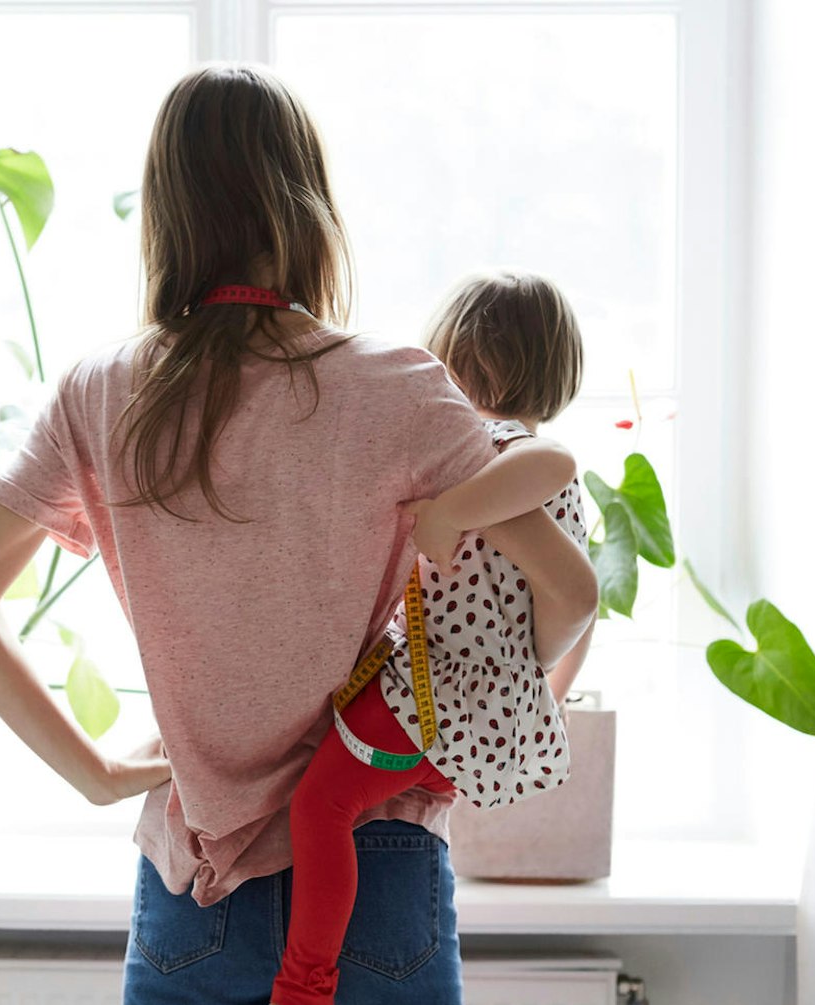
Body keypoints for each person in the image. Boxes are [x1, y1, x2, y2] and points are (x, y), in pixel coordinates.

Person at [0, 64, 599, 1005]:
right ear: (310, 209)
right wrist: (475, 706)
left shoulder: (102, 391)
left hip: (194, 875)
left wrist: (95, 773)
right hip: (382, 854)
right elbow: (567, 592)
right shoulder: (401, 386)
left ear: (167, 215)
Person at [273, 272, 596, 1005]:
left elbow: (557, 459)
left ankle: (304, 982)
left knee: (318, 809)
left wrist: (451, 512)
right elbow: (574, 620)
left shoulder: (489, 448)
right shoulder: (520, 473)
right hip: (464, 719)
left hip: (432, 699)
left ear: (456, 360)